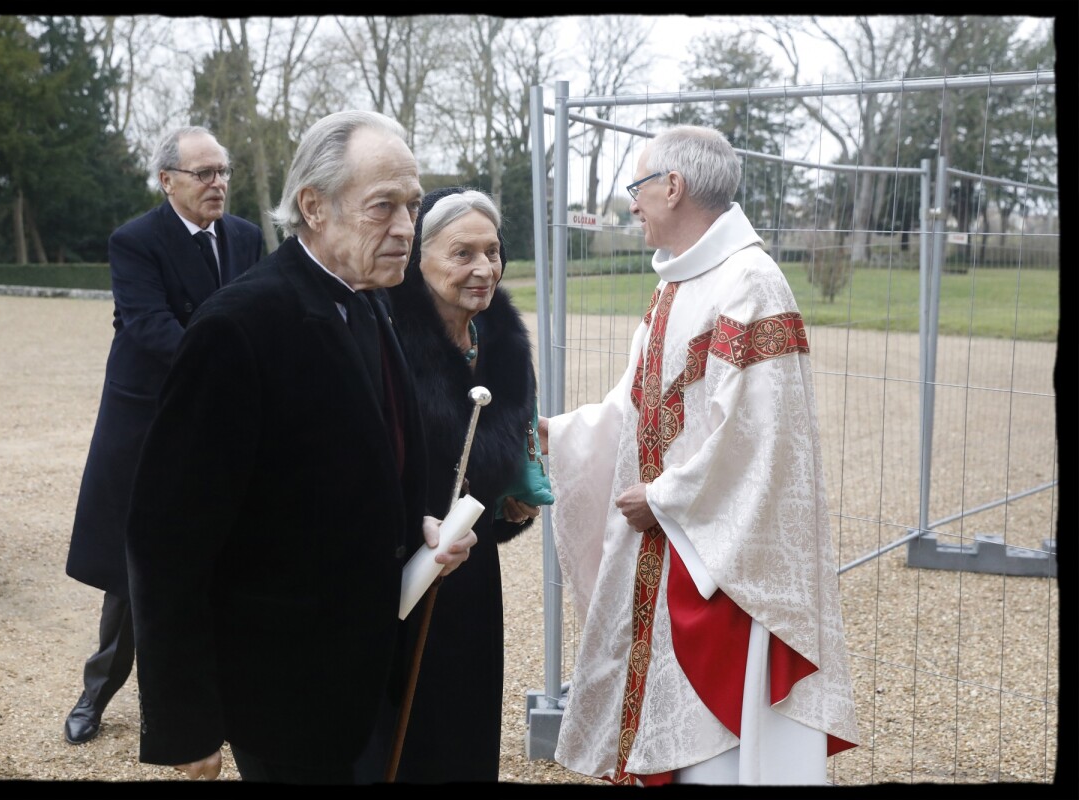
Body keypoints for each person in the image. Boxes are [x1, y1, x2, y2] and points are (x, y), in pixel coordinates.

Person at [123, 110, 477, 783]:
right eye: (384, 207)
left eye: (413, 204)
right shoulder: (239, 328)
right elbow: (165, 538)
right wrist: (187, 721)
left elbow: (362, 464)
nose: (406, 227)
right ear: (314, 207)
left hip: (368, 669)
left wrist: (422, 532)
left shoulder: (369, 298)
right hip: (284, 694)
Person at [538, 124, 860, 786]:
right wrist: (555, 435)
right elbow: (636, 409)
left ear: (674, 187)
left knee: (719, 755)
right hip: (666, 544)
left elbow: (762, 437)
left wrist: (664, 496)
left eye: (637, 186)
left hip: (717, 561)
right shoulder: (676, 287)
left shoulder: (752, 283)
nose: (632, 203)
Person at [62, 125, 265, 746]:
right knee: (134, 572)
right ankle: (97, 693)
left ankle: (229, 701)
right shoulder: (135, 241)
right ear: (167, 180)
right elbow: (149, 326)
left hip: (226, 420)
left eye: (223, 171)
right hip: (149, 422)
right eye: (204, 173)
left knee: (234, 559)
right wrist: (231, 365)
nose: (218, 184)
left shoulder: (246, 238)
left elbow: (261, 312)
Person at [373, 187, 543, 782]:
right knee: (404, 733)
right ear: (419, 258)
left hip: (471, 568)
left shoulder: (503, 340)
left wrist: (510, 500)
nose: (483, 269)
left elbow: (502, 456)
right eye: (462, 253)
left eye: (492, 251)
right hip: (395, 563)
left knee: (466, 723)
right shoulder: (384, 336)